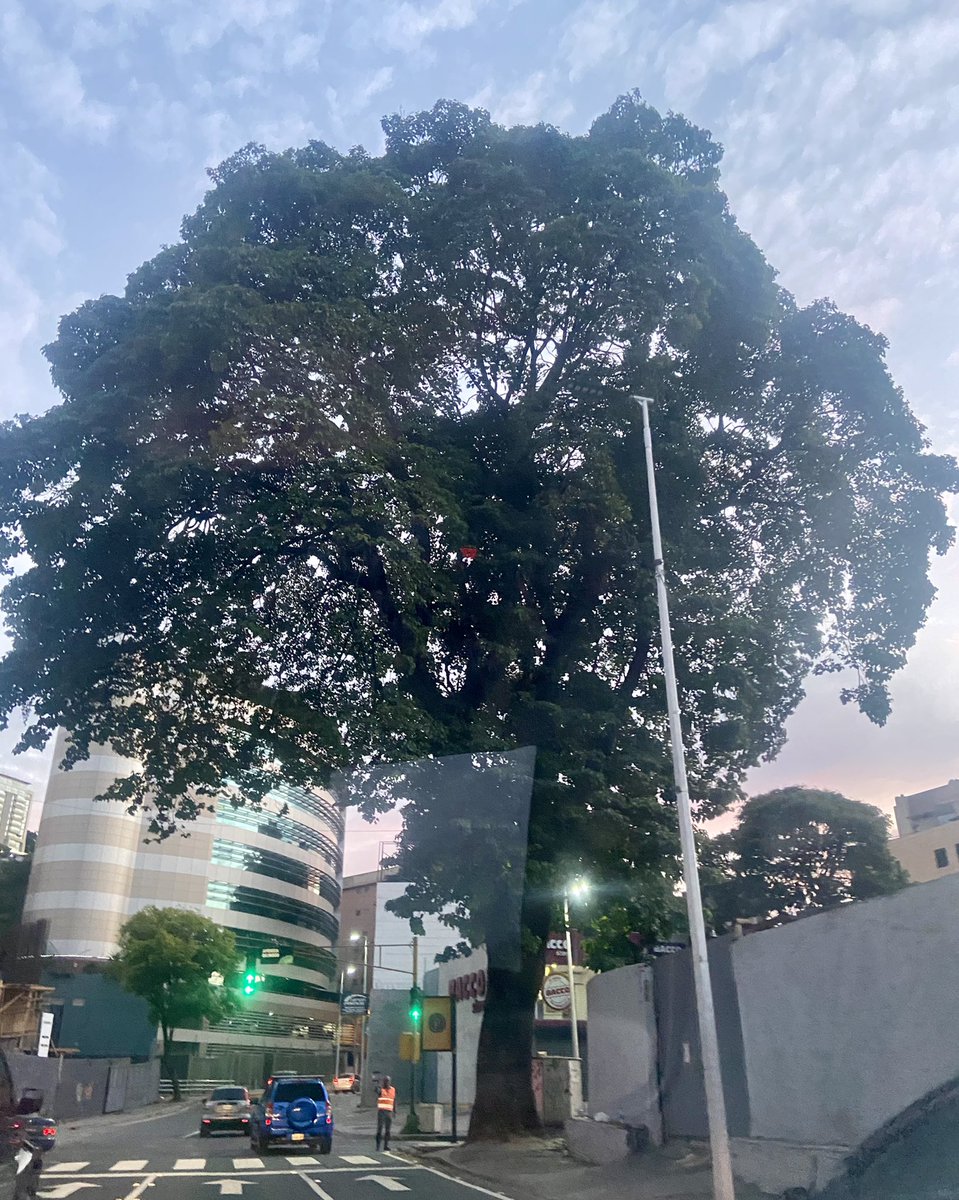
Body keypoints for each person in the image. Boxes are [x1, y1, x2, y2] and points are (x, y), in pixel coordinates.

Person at [375, 1074, 396, 1151]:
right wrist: (379, 1085)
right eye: (385, 1081)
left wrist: (394, 1111)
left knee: (388, 1130)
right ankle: (378, 1146)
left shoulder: (393, 1090)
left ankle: (386, 1145)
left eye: (388, 1081)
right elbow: (377, 1091)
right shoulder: (381, 1090)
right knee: (379, 1129)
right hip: (382, 1112)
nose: (387, 1082)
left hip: (389, 1112)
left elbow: (394, 1100)